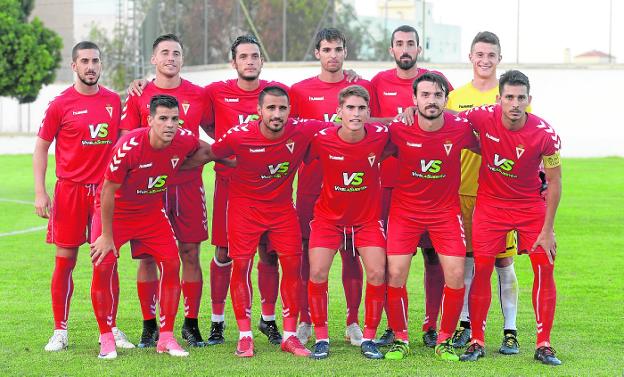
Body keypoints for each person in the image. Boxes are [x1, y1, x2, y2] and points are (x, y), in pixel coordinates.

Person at [185, 86, 333, 358]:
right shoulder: (240, 135)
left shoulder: (302, 129)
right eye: (271, 108)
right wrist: (167, 165)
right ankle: (244, 336)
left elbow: (343, 124)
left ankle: (289, 336)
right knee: (241, 266)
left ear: (290, 110)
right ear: (259, 111)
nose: (277, 114)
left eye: (282, 108)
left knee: (292, 266)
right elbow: (209, 154)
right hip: (244, 210)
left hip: (281, 210)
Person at [90, 94, 221, 359]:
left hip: (150, 212)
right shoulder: (129, 145)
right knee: (103, 265)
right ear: (150, 120)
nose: (170, 124)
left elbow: (210, 151)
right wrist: (106, 234)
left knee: (172, 263)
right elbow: (107, 190)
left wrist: (235, 158)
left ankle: (166, 337)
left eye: (174, 119)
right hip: (117, 213)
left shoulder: (183, 139)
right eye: (162, 118)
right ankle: (106, 336)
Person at [33, 41, 133, 352]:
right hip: (69, 192)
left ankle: (112, 327)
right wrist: (40, 191)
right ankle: (60, 330)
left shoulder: (113, 101)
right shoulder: (59, 104)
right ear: (74, 66)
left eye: (96, 61)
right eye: (85, 61)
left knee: (107, 263)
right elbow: (41, 146)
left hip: (104, 194)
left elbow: (124, 139)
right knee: (65, 262)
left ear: (101, 65)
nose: (91, 66)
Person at [458, 70, 562, 366]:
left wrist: (548, 229)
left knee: (544, 268)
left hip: (530, 207)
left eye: (521, 98)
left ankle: (544, 344)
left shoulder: (545, 133)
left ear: (529, 100)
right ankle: (477, 339)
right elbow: (450, 118)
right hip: (490, 206)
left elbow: (555, 181)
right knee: (482, 269)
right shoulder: (481, 116)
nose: (515, 103)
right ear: (498, 99)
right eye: (509, 97)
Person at [121, 34, 211, 347]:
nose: (170, 58)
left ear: (182, 59)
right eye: (164, 53)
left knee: (190, 253)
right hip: (148, 190)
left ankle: (190, 323)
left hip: (187, 187)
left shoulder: (199, 95)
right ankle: (150, 326)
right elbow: (127, 139)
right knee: (148, 258)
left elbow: (210, 140)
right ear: (153, 59)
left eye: (176, 52)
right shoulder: (139, 94)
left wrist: (187, 166)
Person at [289, 28, 375, 346]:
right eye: (327, 49)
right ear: (317, 54)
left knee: (352, 256)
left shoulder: (360, 88)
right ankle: (306, 320)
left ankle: (353, 322)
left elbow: (377, 125)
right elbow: (291, 134)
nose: (333, 55)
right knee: (309, 260)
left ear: (345, 52)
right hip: (312, 190)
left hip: (353, 193)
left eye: (338, 49)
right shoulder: (299, 91)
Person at [384, 73, 478, 362]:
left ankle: (444, 339)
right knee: (396, 274)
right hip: (405, 213)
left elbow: (491, 147)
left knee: (455, 274)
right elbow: (366, 138)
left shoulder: (459, 127)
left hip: (445, 214)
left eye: (437, 95)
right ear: (414, 100)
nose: (431, 100)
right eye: (424, 95)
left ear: (445, 99)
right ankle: (400, 338)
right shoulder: (399, 128)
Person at [202, 35, 290, 345]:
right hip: (231, 185)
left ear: (262, 61)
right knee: (226, 254)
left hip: (269, 186)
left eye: (255, 55)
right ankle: (217, 321)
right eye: (244, 56)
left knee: (270, 253)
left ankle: (267, 319)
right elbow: (194, 117)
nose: (250, 61)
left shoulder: (278, 94)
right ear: (234, 62)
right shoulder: (214, 92)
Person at [370, 25, 454, 347]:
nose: (405, 49)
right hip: (389, 186)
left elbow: (450, 116)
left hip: (431, 189)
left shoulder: (436, 81)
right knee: (394, 262)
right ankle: (394, 326)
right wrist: (400, 119)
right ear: (392, 49)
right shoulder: (378, 82)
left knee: (433, 257)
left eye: (410, 44)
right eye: (399, 44)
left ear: (419, 48)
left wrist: (419, 113)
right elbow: (368, 121)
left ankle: (431, 325)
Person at [447, 31, 528, 353]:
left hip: (500, 193)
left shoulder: (509, 92)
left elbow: (526, 136)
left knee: (503, 263)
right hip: (463, 190)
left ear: (499, 58)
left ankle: (510, 330)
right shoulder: (455, 96)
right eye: (479, 54)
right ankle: (466, 325)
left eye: (491, 55)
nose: (484, 60)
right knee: (467, 262)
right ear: (470, 57)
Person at [305, 85, 389, 360]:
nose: (355, 113)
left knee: (377, 273)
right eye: (350, 108)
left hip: (366, 220)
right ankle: (321, 337)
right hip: (328, 220)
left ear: (368, 112)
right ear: (338, 111)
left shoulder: (379, 136)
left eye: (361, 108)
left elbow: (403, 130)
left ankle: (368, 337)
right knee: (317, 272)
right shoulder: (321, 138)